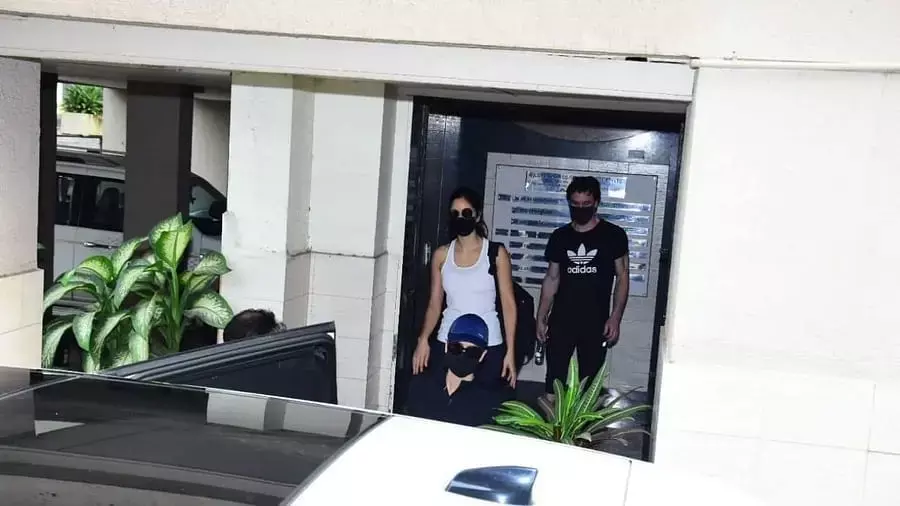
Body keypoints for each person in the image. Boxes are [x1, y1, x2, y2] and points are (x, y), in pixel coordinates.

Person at [411, 187, 518, 387]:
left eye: (466, 213)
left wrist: (510, 351)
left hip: (488, 343)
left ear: (477, 216)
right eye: (455, 214)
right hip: (449, 342)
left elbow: (509, 305)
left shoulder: (496, 254)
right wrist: (423, 339)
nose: (461, 218)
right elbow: (435, 303)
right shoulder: (441, 255)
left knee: (482, 402)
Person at [536, 176, 629, 397]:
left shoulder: (613, 235)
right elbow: (551, 279)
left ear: (596, 203)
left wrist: (615, 317)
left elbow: (622, 277)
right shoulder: (560, 237)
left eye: (586, 204)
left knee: (589, 386)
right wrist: (541, 316)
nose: (580, 209)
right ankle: (553, 419)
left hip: (595, 322)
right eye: (575, 204)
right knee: (554, 382)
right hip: (561, 321)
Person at [406, 313, 514, 426]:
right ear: (446, 346)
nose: (463, 355)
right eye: (456, 348)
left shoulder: (490, 402)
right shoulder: (420, 386)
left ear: (482, 355)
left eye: (472, 352)